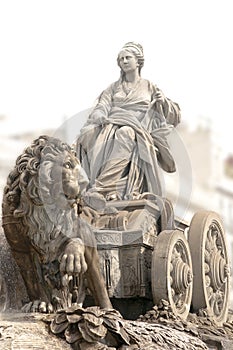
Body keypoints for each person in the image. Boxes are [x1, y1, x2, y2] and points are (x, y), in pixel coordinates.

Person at [76, 42, 180, 202]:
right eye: (121, 59)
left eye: (127, 58)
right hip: (112, 125)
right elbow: (102, 106)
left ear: (138, 61)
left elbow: (174, 115)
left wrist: (163, 102)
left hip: (138, 130)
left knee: (126, 133)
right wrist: (99, 115)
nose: (124, 61)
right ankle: (90, 184)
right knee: (89, 133)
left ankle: (102, 188)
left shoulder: (150, 87)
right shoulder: (113, 88)